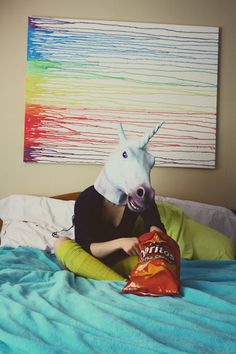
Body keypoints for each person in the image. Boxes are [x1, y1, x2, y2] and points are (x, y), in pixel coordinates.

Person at [54, 122, 166, 280]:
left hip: (119, 262)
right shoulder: (87, 199)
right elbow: (87, 247)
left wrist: (157, 239)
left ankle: (110, 279)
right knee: (61, 243)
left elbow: (153, 222)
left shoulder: (138, 197)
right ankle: (119, 284)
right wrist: (121, 243)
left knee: (153, 260)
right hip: (89, 260)